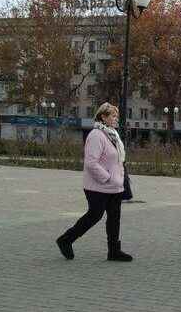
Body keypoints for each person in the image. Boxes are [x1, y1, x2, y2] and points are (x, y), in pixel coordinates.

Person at [56, 103, 133, 261]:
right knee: (94, 215)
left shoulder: (113, 135)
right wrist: (107, 178)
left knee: (114, 218)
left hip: (114, 187)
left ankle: (114, 251)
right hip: (98, 186)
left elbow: (118, 160)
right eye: (113, 116)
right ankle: (65, 240)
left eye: (116, 116)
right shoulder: (96, 135)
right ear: (103, 117)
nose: (116, 119)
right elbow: (91, 163)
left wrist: (118, 179)